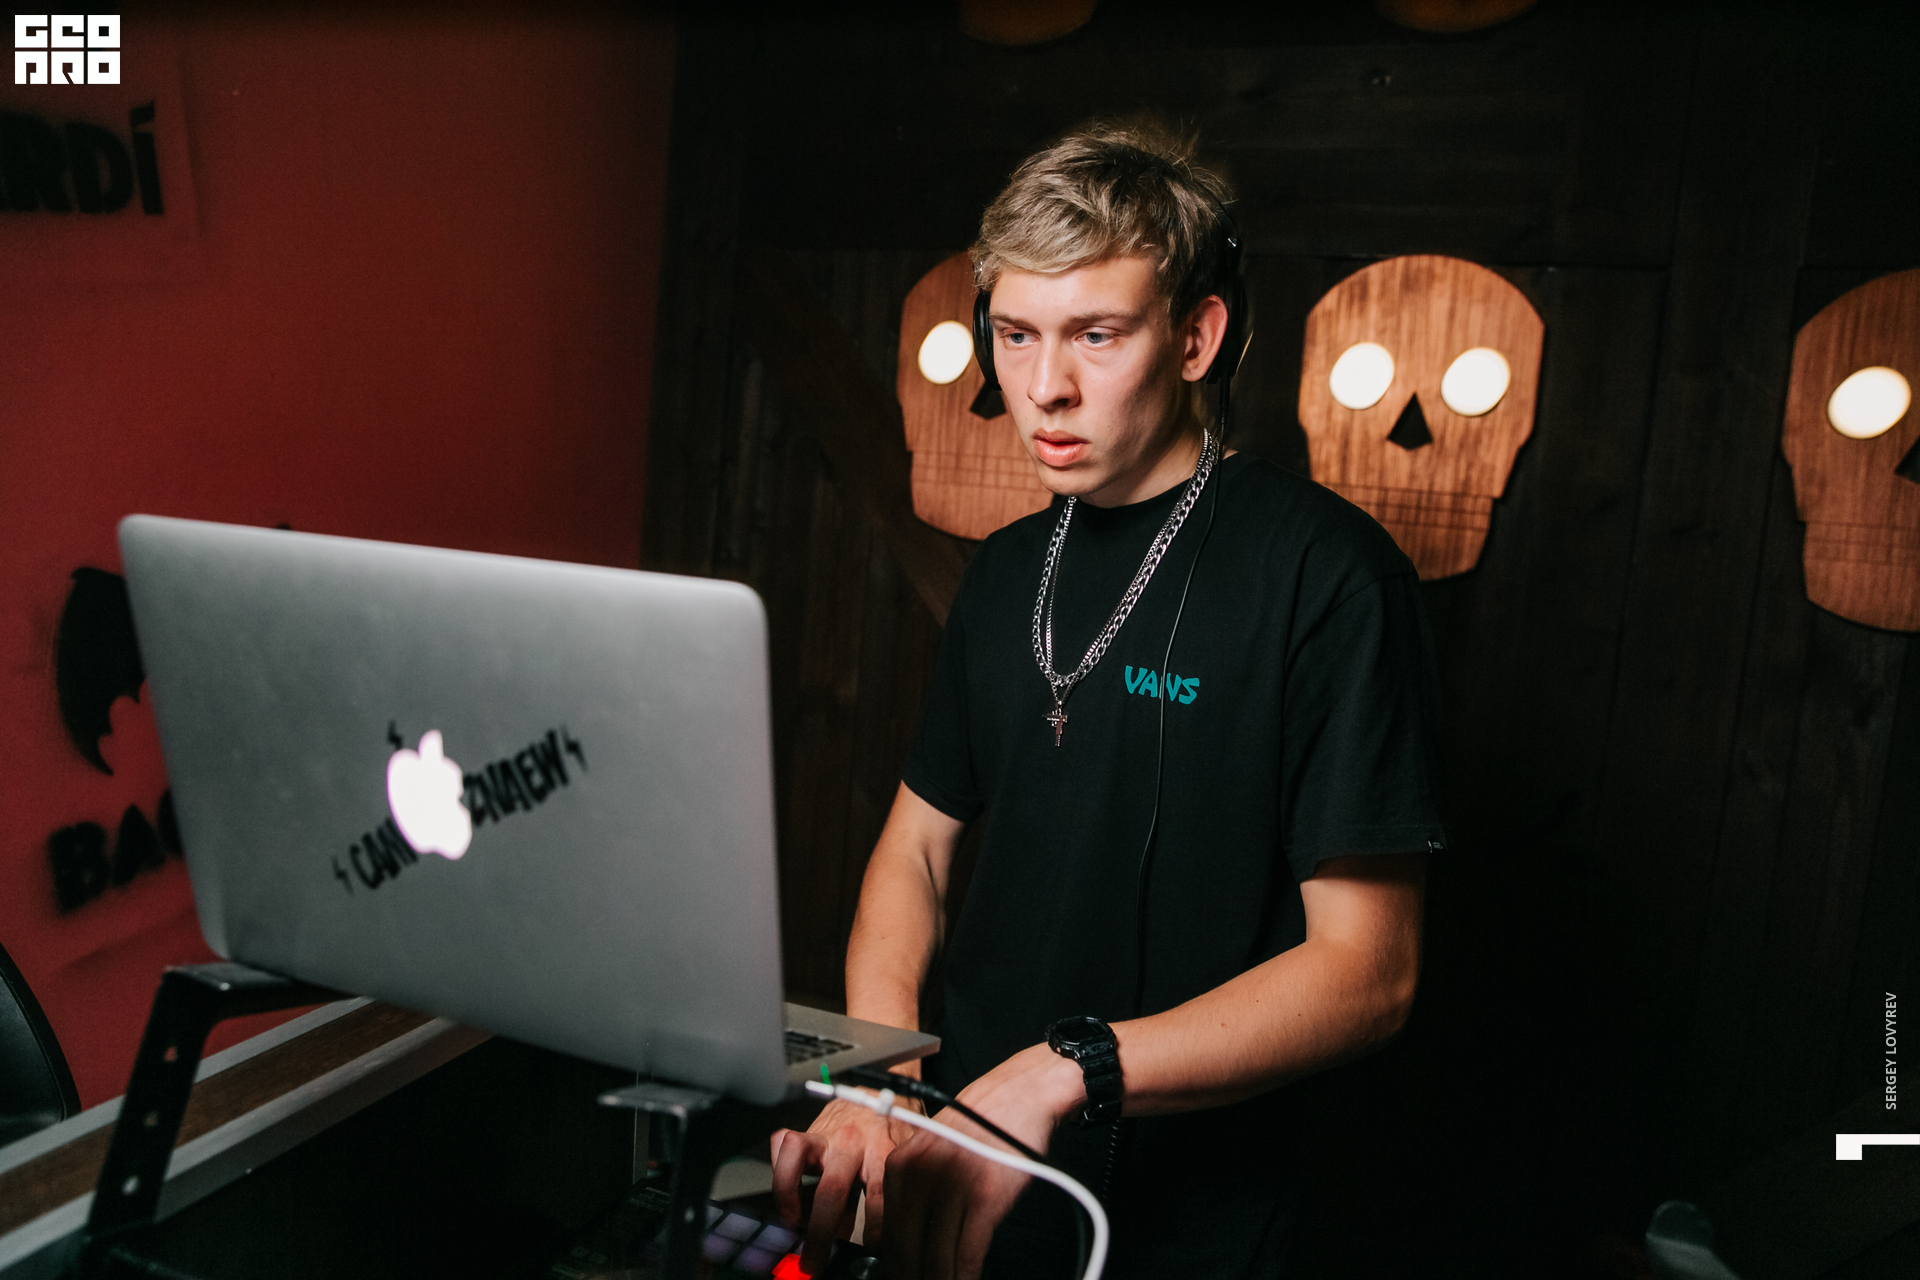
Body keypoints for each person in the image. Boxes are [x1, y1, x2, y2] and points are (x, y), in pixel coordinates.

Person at [770, 119, 1445, 1279]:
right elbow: (916, 853)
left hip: (1206, 1220)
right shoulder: (1004, 572)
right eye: (1016, 333)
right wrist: (882, 1080)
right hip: (967, 1159)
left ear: (1197, 337)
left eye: (1097, 333)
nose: (1045, 387)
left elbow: (1369, 972)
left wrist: (1063, 1070)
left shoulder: (1329, 576)